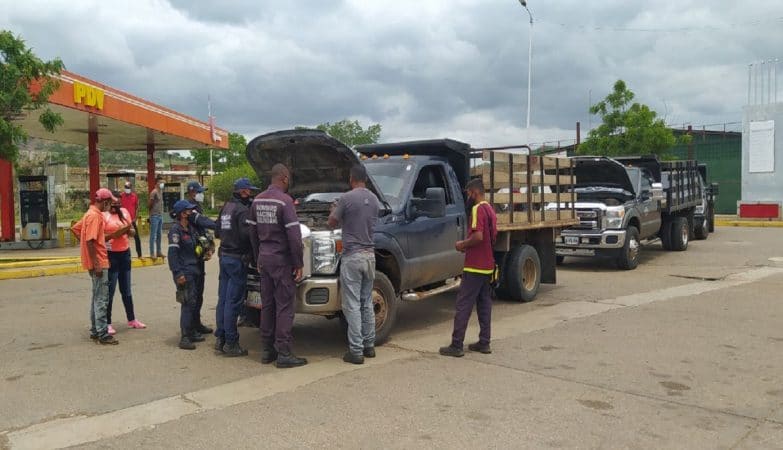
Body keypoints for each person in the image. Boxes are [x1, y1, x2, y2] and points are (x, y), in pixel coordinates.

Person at [249, 163, 307, 368]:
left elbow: (252, 233)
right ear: (284, 178)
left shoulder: (257, 200)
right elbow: (294, 236)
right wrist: (298, 262)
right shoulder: (285, 201)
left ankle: (267, 350)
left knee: (267, 305)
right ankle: (284, 352)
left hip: (265, 259)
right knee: (284, 306)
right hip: (281, 261)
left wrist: (257, 257)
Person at [439, 178, 498, 357]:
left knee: (463, 304)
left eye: (468, 194)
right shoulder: (490, 210)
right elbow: (491, 237)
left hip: (474, 267)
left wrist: (462, 244)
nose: (468, 197)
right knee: (484, 305)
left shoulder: (477, 209)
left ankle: (456, 344)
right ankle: (484, 342)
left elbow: (478, 236)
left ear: (474, 192)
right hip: (487, 266)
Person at [328, 165, 380, 365]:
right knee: (366, 302)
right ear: (365, 179)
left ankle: (356, 351)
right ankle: (369, 345)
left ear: (351, 178)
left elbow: (331, 222)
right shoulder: (374, 199)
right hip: (370, 256)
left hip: (352, 256)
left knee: (352, 305)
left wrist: (333, 210)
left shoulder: (346, 198)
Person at [214, 178, 259, 357]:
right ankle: (231, 343)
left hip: (224, 257)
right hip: (237, 260)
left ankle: (221, 338)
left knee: (223, 300)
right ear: (243, 192)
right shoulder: (242, 210)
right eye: (249, 191)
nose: (251, 194)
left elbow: (217, 231)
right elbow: (248, 236)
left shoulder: (226, 207)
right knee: (233, 302)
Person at [72, 188, 122, 345]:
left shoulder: (89, 213)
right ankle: (102, 334)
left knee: (96, 297)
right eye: (110, 202)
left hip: (93, 261)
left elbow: (77, 229)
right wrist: (97, 263)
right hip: (99, 261)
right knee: (102, 299)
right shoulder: (95, 216)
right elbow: (90, 241)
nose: (111, 205)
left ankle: (95, 330)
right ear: (105, 202)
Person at [104, 192, 146, 334]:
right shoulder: (104, 216)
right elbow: (100, 236)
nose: (116, 206)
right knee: (110, 291)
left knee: (126, 289)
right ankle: (107, 322)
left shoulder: (125, 213)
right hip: (111, 255)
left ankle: (132, 319)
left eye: (118, 203)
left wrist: (129, 231)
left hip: (124, 253)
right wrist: (113, 234)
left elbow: (132, 231)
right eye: (113, 204)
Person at [167, 200, 204, 350]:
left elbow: (197, 246)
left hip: (194, 269)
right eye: (189, 211)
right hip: (184, 272)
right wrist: (178, 273)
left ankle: (192, 331)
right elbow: (172, 254)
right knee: (188, 303)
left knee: (194, 301)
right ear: (182, 214)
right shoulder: (176, 230)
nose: (191, 213)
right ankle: (185, 337)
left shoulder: (191, 229)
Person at [185, 181, 217, 335]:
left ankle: (197, 323)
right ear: (192, 192)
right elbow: (202, 221)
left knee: (199, 293)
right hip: (190, 256)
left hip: (199, 255)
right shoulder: (188, 208)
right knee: (192, 295)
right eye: (200, 192)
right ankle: (190, 328)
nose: (202, 194)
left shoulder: (197, 207)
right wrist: (219, 225)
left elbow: (203, 229)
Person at [120, 181, 142, 258]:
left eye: (128, 187)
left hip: (132, 220)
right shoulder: (121, 196)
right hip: (123, 220)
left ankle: (139, 254)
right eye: (126, 187)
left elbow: (137, 207)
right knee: (123, 238)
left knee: (137, 237)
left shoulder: (134, 196)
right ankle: (124, 254)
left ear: (131, 188)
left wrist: (135, 218)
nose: (127, 189)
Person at [148, 176, 165, 258]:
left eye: (163, 182)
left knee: (159, 235)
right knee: (153, 235)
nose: (162, 184)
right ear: (157, 183)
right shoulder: (154, 192)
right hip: (154, 216)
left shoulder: (161, 191)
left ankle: (158, 251)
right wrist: (151, 213)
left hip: (160, 215)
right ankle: (152, 253)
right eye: (161, 182)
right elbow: (150, 204)